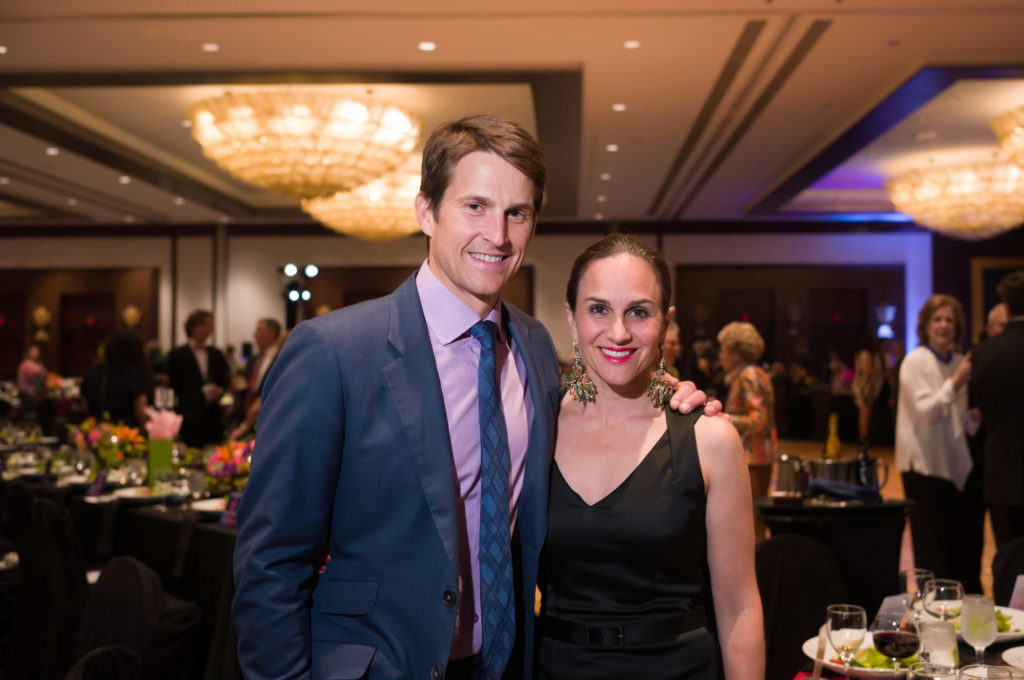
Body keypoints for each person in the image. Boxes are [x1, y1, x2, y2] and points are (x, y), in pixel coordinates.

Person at [231, 115, 717, 680]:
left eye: (519, 213)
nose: (499, 235)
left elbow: (601, 409)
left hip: (509, 663)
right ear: (425, 212)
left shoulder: (534, 345)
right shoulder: (333, 352)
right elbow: (270, 562)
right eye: (476, 207)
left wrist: (670, 396)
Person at [538, 235, 763, 680]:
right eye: (598, 309)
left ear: (665, 323)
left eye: (638, 312)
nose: (619, 332)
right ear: (571, 317)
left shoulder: (710, 439)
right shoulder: (534, 427)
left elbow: (739, 609)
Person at [895, 294, 979, 581]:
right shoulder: (915, 361)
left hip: (954, 465)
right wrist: (956, 382)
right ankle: (930, 609)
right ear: (926, 326)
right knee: (931, 548)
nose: (944, 325)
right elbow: (926, 412)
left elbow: (961, 416)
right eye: (938, 319)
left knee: (958, 547)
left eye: (950, 320)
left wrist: (976, 419)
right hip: (923, 466)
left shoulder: (958, 360)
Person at [971, 272, 1024, 546]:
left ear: (1007, 306)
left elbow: (980, 408)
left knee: (1009, 556)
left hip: (1001, 470)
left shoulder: (984, 354)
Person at [716, 321, 777, 506]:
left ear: (736, 354)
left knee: (753, 519)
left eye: (723, 350)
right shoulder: (747, 374)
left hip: (754, 457)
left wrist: (721, 418)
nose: (720, 356)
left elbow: (759, 420)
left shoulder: (750, 375)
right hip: (752, 456)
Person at [165, 310, 230, 447]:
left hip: (212, 418)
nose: (208, 330)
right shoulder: (177, 354)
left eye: (211, 326)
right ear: (192, 327)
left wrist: (219, 391)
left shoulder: (216, 353)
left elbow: (225, 380)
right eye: (205, 326)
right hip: (189, 417)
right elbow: (172, 387)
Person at [227, 318, 282, 441]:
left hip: (266, 420)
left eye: (259, 331)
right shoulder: (253, 359)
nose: (254, 335)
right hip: (246, 417)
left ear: (272, 333)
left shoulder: (280, 358)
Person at [81, 331, 150, 428]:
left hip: (96, 431)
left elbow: (85, 406)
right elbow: (141, 413)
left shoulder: (92, 372)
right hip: (126, 434)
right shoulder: (134, 376)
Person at [15, 344, 47, 421]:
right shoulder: (25, 365)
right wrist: (29, 393)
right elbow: (21, 383)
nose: (35, 354)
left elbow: (43, 381)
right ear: (29, 353)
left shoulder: (40, 365)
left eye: (36, 352)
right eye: (33, 352)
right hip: (27, 395)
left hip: (40, 396)